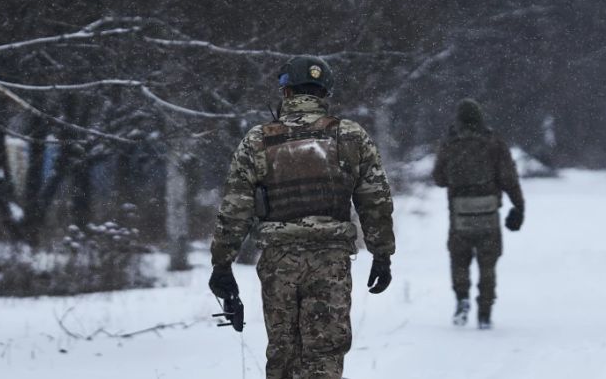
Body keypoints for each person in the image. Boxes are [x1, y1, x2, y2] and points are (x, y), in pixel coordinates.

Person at [208, 55, 396, 378]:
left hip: (278, 263)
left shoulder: (258, 141)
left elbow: (235, 207)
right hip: (331, 262)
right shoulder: (350, 136)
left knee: (283, 354)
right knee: (325, 355)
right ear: (325, 93)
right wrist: (382, 254)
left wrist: (222, 264)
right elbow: (375, 200)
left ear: (286, 93)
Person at [432, 99, 525, 330]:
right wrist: (518, 206)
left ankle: (462, 299)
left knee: (459, 261)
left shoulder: (450, 144)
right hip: (488, 213)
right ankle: (485, 311)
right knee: (488, 264)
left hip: (459, 215)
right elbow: (509, 178)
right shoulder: (494, 143)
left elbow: (439, 178)